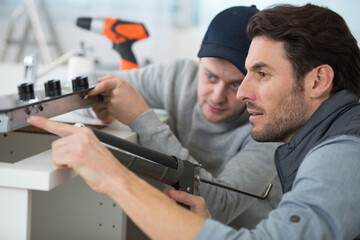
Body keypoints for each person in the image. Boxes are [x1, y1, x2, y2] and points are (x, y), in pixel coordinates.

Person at [29, 3, 360, 239]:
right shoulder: (321, 136)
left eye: (260, 74)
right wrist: (99, 105)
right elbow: (100, 87)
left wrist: (113, 176)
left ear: (318, 82)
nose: (240, 93)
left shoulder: (344, 154)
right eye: (212, 77)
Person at [85, 5, 281, 229]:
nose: (217, 97)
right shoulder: (178, 76)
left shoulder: (270, 126)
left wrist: (141, 118)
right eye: (210, 76)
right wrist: (100, 106)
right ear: (199, 56)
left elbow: (216, 211)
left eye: (235, 84)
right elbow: (92, 86)